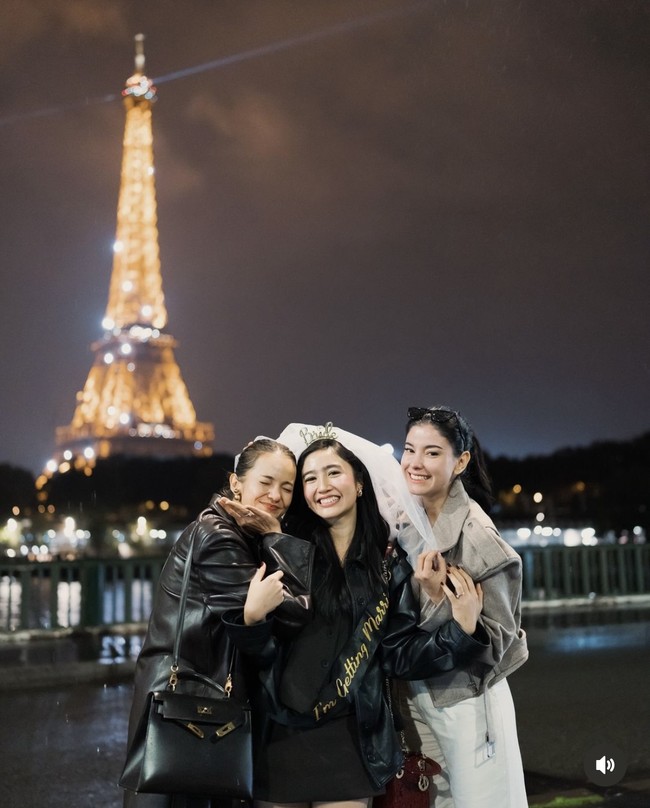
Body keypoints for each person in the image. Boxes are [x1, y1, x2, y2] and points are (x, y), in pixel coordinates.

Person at [221, 426, 490, 808]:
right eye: (310, 478)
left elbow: (397, 656)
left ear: (359, 483)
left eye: (333, 472)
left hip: (353, 740)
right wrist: (253, 613)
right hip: (278, 737)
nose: (322, 486)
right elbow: (257, 647)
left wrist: (462, 629)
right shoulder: (285, 548)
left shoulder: (388, 563)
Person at [121, 438, 314, 808]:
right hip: (189, 707)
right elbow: (295, 612)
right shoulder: (219, 538)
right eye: (266, 482)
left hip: (189, 702)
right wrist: (276, 534)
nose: (276, 495)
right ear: (236, 483)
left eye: (287, 488)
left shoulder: (234, 531)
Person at [394, 406, 529, 808]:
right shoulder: (402, 520)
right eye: (409, 449)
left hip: (468, 701)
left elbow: (501, 642)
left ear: (461, 461)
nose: (415, 463)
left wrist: (443, 605)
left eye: (432, 453)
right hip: (415, 697)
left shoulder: (479, 538)